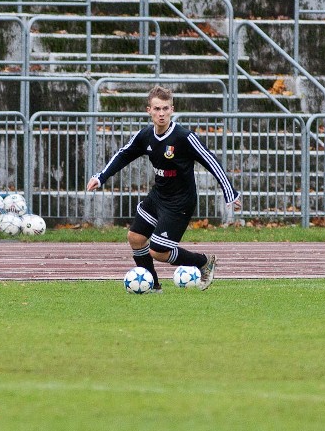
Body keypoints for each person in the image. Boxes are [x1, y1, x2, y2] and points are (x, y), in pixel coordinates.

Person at [86, 85, 242, 291]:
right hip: (158, 196)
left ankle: (204, 262)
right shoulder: (146, 136)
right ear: (148, 110)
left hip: (180, 202)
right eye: (157, 109)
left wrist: (230, 192)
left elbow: (211, 161)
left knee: (158, 251)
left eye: (165, 109)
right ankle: (153, 287)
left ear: (172, 110)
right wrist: (101, 176)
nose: (161, 114)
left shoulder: (184, 137)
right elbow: (123, 154)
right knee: (135, 238)